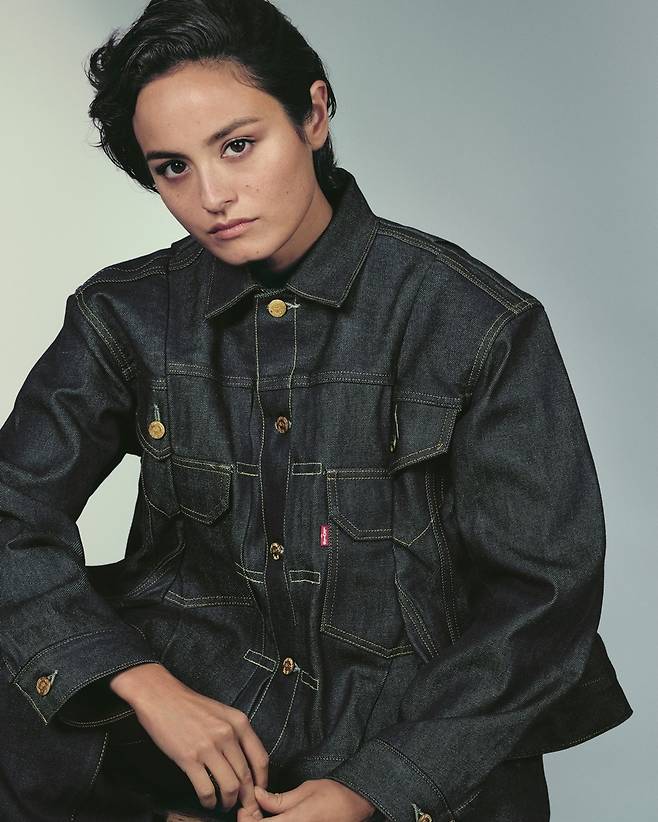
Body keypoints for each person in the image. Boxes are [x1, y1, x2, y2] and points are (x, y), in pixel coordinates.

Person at [0, 1, 633, 820]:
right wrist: (142, 683)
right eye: (173, 168)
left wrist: (378, 787)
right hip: (185, 744)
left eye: (237, 145)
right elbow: (12, 511)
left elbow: (544, 598)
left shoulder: (473, 322)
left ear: (314, 114)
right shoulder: (125, 316)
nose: (213, 196)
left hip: (408, 749)